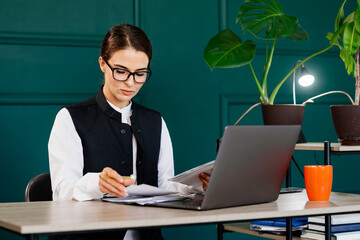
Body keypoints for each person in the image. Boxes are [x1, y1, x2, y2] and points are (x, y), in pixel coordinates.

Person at [48, 24, 210, 240]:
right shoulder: (70, 118)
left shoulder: (156, 121)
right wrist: (97, 183)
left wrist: (198, 188)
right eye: (121, 71)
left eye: (140, 73)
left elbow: (164, 186)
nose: (131, 82)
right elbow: (61, 193)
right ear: (103, 64)